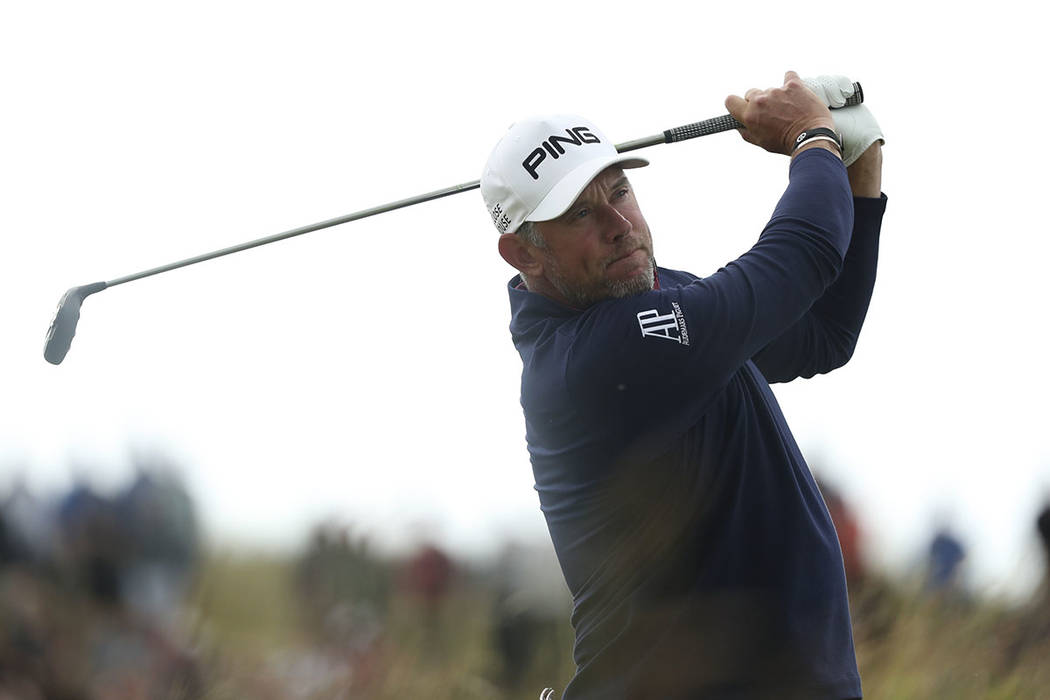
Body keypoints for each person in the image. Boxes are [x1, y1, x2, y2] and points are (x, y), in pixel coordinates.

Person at [481, 72, 886, 699]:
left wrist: (858, 161)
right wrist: (811, 140)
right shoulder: (592, 361)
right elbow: (801, 255)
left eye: (620, 190)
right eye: (581, 213)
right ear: (524, 255)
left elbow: (825, 330)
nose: (618, 223)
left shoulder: (662, 299)